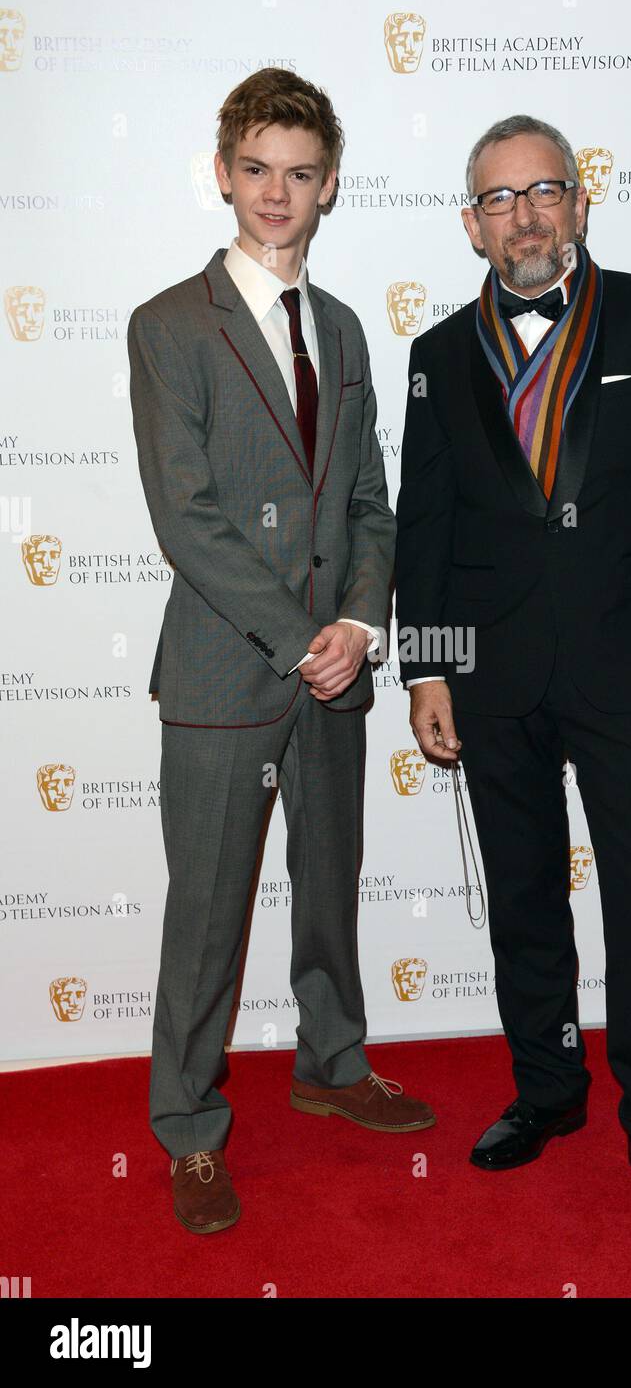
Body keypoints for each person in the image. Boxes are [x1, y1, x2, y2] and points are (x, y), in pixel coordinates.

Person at [394, 114, 631, 1229]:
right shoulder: (438, 356)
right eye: (498, 199)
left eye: (542, 190)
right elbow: (427, 531)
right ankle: (545, 1089)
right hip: (492, 678)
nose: (524, 215)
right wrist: (427, 670)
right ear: (470, 225)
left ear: (579, 204)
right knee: (524, 898)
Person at [128, 67, 434, 1236]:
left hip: (332, 675)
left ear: (329, 187)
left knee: (329, 886)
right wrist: (302, 634)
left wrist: (356, 626)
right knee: (206, 908)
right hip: (222, 673)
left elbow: (367, 498)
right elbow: (187, 516)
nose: (277, 191)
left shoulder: (346, 329)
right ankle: (189, 1127)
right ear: (222, 173)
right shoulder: (169, 326)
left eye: (300, 173)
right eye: (256, 168)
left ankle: (331, 1061)